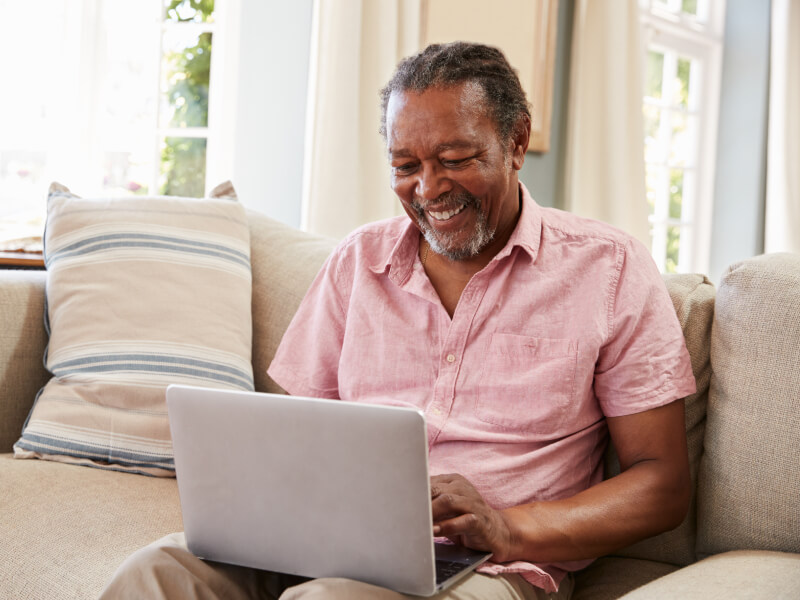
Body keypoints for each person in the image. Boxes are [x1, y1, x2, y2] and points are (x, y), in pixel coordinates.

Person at [100, 42, 696, 600]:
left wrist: (507, 527)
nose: (428, 188)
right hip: (328, 538)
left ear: (517, 142)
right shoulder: (359, 260)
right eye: (405, 164)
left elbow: (662, 484)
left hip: (488, 565)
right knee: (153, 573)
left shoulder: (608, 268)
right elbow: (291, 434)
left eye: (455, 159)